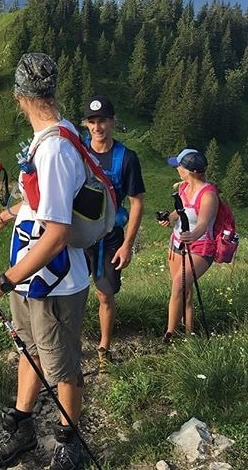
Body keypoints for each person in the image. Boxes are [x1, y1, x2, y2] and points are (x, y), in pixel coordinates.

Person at [0, 52, 89, 470]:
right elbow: (42, 204)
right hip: (32, 276)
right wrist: (2, 218)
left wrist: (3, 280)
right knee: (32, 348)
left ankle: (68, 442)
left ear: (19, 96)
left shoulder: (54, 149)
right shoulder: (57, 134)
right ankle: (22, 426)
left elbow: (56, 234)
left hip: (54, 280)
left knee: (62, 363)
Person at [82, 96, 145, 370]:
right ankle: (69, 341)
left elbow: (137, 201)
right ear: (86, 124)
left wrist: (127, 245)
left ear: (112, 122)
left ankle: (104, 346)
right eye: (92, 122)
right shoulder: (77, 151)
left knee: (105, 294)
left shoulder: (127, 158)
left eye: (103, 121)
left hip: (110, 238)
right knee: (71, 290)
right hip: (77, 235)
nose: (98, 127)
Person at [158, 149, 218, 341]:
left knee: (178, 286)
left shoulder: (208, 195)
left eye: (179, 165)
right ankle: (188, 335)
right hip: (177, 243)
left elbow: (203, 223)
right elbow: (181, 211)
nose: (177, 168)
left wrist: (192, 235)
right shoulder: (184, 188)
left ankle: (169, 333)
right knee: (186, 291)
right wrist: (169, 217)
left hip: (200, 247)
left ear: (190, 170)